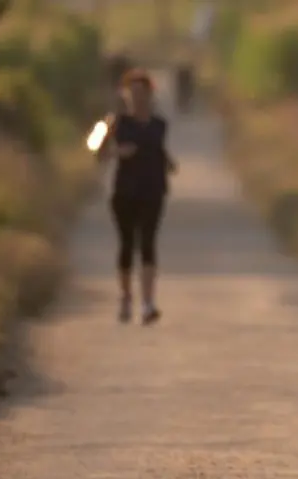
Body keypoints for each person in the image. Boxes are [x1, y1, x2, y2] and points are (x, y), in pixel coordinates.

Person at [97, 69, 176, 324]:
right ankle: (125, 297)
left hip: (154, 190)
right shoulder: (113, 122)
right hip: (124, 192)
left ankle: (148, 303)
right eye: (134, 93)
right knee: (127, 245)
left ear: (151, 94)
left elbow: (157, 149)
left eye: (143, 92)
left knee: (149, 244)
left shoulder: (160, 124)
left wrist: (168, 162)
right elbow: (95, 149)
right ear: (125, 94)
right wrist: (117, 152)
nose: (139, 97)